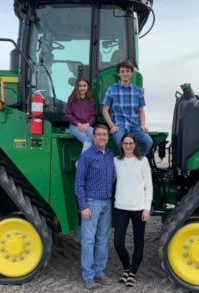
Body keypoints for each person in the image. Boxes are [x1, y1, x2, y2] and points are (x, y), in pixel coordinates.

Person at [74, 124, 115, 290]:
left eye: (104, 134)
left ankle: (99, 272)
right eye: (98, 134)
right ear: (94, 137)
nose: (101, 137)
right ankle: (88, 276)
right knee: (88, 240)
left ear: (107, 137)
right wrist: (84, 206)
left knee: (103, 239)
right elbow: (79, 183)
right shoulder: (87, 156)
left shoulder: (110, 154)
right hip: (92, 203)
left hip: (107, 203)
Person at [113, 133, 153, 288]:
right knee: (118, 242)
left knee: (138, 242)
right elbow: (111, 180)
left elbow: (148, 186)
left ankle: (133, 273)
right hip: (121, 207)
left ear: (135, 145)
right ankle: (127, 268)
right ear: (122, 145)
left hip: (138, 208)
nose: (128, 146)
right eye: (125, 143)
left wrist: (147, 208)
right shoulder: (116, 161)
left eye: (131, 143)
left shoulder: (142, 161)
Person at [102, 59, 154, 155]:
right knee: (121, 144)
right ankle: (126, 164)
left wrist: (143, 125)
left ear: (131, 73)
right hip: (119, 126)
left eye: (127, 71)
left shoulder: (138, 91)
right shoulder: (111, 89)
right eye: (122, 71)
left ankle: (136, 161)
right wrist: (112, 126)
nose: (125, 73)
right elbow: (105, 110)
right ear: (119, 74)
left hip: (135, 126)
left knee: (148, 142)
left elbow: (141, 110)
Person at [65, 79, 96, 153]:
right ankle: (82, 161)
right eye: (80, 86)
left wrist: (87, 124)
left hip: (87, 125)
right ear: (76, 87)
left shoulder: (91, 100)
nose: (82, 88)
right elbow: (68, 114)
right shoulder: (72, 99)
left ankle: (81, 161)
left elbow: (93, 116)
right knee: (87, 141)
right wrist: (78, 124)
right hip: (74, 126)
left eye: (84, 85)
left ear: (88, 87)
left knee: (93, 132)